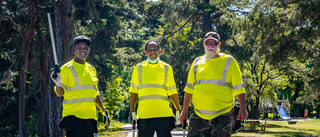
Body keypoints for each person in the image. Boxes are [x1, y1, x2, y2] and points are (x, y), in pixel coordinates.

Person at [179, 31, 248, 137]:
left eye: (214, 43)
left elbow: (239, 88)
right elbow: (189, 90)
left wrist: (243, 109)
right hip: (198, 116)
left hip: (223, 115)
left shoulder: (229, 61)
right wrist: (184, 111)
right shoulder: (197, 63)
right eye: (208, 43)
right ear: (204, 44)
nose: (210, 46)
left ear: (219, 45)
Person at [51, 36, 108, 137]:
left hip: (90, 118)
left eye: (85, 48)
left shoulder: (91, 69)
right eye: (79, 47)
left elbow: (95, 94)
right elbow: (60, 93)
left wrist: (104, 111)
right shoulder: (66, 68)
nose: (83, 50)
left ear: (88, 50)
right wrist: (58, 84)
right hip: (73, 119)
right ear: (73, 49)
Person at [129, 40, 181, 137]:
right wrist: (131, 111)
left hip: (164, 116)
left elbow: (172, 92)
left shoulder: (167, 68)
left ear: (159, 51)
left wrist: (178, 109)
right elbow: (134, 92)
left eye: (155, 49)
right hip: (145, 116)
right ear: (146, 53)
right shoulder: (138, 68)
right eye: (149, 50)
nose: (152, 52)